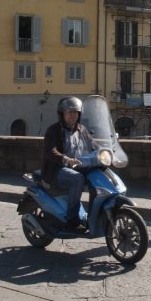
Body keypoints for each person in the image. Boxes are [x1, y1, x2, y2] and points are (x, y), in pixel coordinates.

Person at [41, 97, 94, 229]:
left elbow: (93, 145)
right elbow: (50, 150)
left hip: (79, 166)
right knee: (78, 179)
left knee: (96, 175)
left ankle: (93, 214)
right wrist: (66, 159)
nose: (73, 115)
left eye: (75, 112)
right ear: (62, 114)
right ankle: (72, 218)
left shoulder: (82, 130)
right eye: (69, 112)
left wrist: (105, 150)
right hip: (57, 169)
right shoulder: (54, 130)